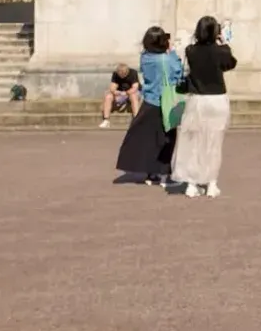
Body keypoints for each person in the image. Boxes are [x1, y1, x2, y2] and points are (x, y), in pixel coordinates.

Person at [171, 16, 237, 199]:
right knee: (214, 143)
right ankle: (211, 183)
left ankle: (191, 184)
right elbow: (230, 64)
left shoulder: (191, 50)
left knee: (193, 142)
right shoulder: (220, 51)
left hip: (197, 99)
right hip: (217, 99)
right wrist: (224, 44)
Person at [115, 27, 185, 186]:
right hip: (166, 102)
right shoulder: (165, 59)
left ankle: (151, 173)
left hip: (149, 101)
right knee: (167, 139)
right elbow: (177, 73)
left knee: (150, 140)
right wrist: (172, 52)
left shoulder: (145, 57)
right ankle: (165, 174)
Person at [99, 63, 141, 128]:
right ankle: (106, 120)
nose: (121, 76)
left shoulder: (133, 73)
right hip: (120, 93)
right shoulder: (115, 74)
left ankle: (136, 120)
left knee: (133, 96)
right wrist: (117, 92)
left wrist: (126, 93)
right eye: (120, 74)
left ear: (127, 71)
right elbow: (112, 88)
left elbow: (135, 88)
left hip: (132, 92)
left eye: (123, 74)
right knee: (108, 96)